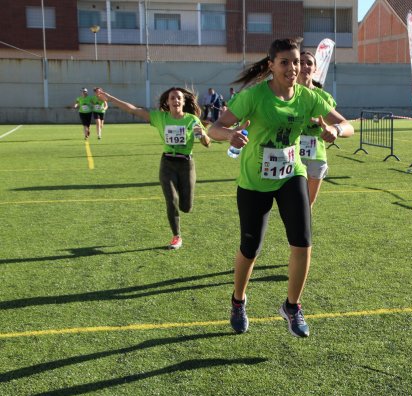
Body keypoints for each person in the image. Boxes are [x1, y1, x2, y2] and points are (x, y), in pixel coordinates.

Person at [208, 37, 354, 338]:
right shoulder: (254, 97)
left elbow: (347, 125)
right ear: (271, 65)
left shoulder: (308, 97)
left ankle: (292, 306)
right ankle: (238, 301)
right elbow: (215, 128)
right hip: (254, 181)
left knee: (302, 241)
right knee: (251, 249)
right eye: (285, 62)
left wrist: (335, 130)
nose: (292, 67)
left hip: (291, 175)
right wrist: (230, 135)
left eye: (296, 62)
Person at [95, 87, 211, 250]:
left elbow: (207, 144)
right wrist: (110, 98)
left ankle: (183, 210)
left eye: (178, 98)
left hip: (186, 165)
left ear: (184, 102)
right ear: (167, 102)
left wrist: (202, 135)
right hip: (167, 164)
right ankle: (176, 236)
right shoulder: (160, 117)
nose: (175, 101)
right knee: (171, 200)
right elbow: (133, 110)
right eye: (172, 98)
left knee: (186, 207)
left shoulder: (192, 120)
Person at [298, 51, 353, 208]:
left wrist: (334, 129)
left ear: (315, 68)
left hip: (317, 156)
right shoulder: (286, 95)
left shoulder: (324, 98)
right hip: (292, 155)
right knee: (293, 202)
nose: (304, 66)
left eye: (309, 63)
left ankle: (303, 232)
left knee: (308, 203)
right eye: (300, 62)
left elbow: (346, 125)